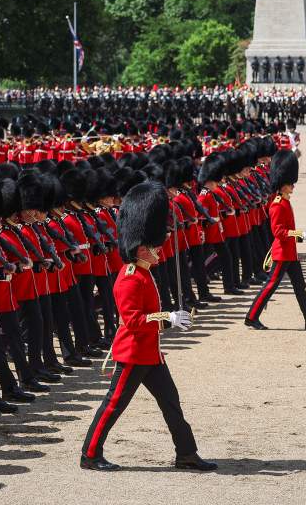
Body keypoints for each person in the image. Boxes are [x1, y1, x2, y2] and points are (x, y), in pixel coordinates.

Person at [80, 181, 216, 472]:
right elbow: (133, 321)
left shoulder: (142, 272)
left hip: (150, 354)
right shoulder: (129, 277)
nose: (159, 249)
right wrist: (167, 318)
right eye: (153, 246)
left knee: (171, 403)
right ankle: (90, 454)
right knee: (113, 405)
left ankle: (186, 453)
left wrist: (169, 318)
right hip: (132, 355)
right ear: (141, 249)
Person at [245, 150, 306, 331]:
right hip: (282, 254)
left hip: (290, 253)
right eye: (290, 183)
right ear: (282, 184)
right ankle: (251, 317)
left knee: (300, 287)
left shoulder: (284, 201)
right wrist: (299, 235)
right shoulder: (277, 204)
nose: (293, 186)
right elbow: (278, 232)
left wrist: (300, 236)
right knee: (270, 286)